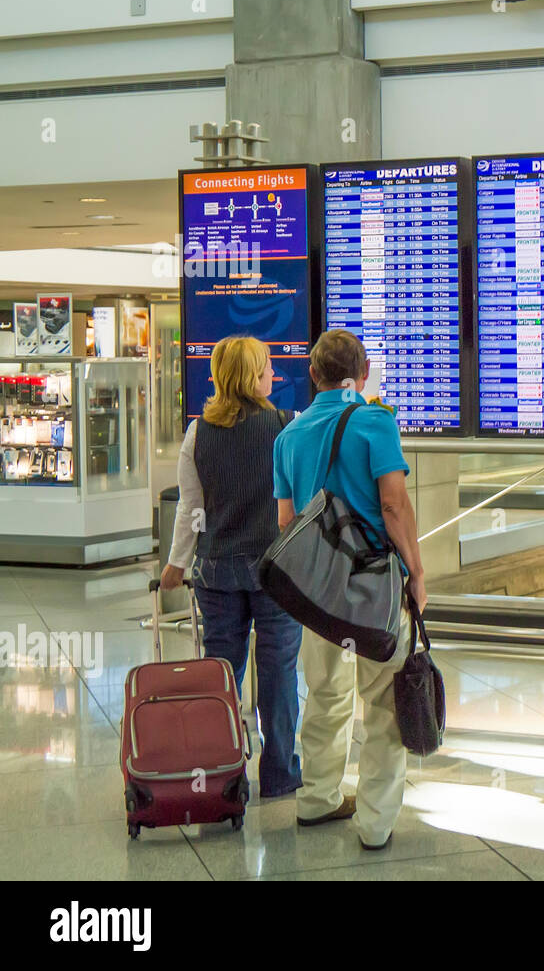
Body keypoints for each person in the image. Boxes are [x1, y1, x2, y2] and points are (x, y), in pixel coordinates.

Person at [272, 329, 426, 851]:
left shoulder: (287, 438)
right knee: (382, 703)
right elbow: (393, 505)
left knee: (324, 693)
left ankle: (317, 798)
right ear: (362, 376)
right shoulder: (374, 421)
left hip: (316, 594)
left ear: (313, 376)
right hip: (374, 588)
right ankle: (375, 824)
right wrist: (418, 571)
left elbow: (288, 522)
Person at [160, 336, 303, 799]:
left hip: (217, 572)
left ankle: (219, 774)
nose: (273, 375)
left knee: (220, 673)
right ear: (252, 376)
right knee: (279, 671)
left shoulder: (198, 433)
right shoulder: (286, 425)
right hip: (274, 571)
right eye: (267, 368)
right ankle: (280, 774)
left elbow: (191, 508)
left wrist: (176, 564)